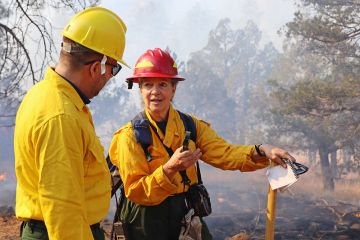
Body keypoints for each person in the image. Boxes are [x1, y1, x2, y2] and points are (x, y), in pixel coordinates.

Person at [108, 48, 297, 240]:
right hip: (144, 221)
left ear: (173, 89)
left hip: (184, 212)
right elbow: (136, 191)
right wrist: (170, 169)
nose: (155, 92)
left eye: (163, 84)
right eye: (148, 85)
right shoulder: (129, 137)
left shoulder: (190, 126)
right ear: (140, 89)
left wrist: (262, 150)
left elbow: (225, 154)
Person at [14, 6, 128, 240]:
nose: (110, 78)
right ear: (97, 67)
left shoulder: (43, 95)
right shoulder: (61, 116)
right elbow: (63, 210)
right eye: (113, 69)